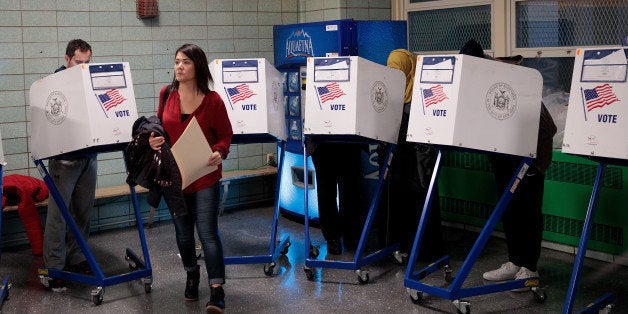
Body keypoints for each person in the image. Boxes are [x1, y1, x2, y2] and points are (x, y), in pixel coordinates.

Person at [458, 39, 557, 290]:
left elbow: (547, 126)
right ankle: (514, 262)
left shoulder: (511, 81)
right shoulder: (479, 82)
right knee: (509, 211)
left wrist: (537, 164)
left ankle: (530, 267)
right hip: (503, 157)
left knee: (528, 213)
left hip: (529, 159)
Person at [149, 43, 233, 313]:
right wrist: (153, 140)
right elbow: (158, 127)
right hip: (175, 178)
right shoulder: (166, 94)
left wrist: (220, 151)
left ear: (198, 66)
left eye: (185, 62)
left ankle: (217, 290)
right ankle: (191, 273)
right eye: (176, 62)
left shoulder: (213, 100)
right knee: (183, 235)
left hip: (205, 175)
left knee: (207, 233)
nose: (179, 67)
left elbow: (225, 135)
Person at [376, 49, 442, 261]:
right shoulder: (390, 94)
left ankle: (423, 250)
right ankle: (399, 246)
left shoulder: (422, 94)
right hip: (397, 159)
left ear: (409, 68)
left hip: (417, 159)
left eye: (399, 69)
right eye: (391, 69)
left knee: (419, 202)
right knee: (398, 202)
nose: (395, 74)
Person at [43, 39, 97, 292]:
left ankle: (76, 257)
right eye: (78, 62)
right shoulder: (55, 86)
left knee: (83, 211)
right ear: (67, 60)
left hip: (89, 156)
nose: (82, 68)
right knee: (59, 216)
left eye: (87, 63)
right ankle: (54, 267)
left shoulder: (90, 82)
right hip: (64, 160)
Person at [310, 141, 366, 255]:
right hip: (325, 141)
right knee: (327, 193)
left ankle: (348, 234)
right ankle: (333, 237)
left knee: (350, 191)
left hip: (347, 141)